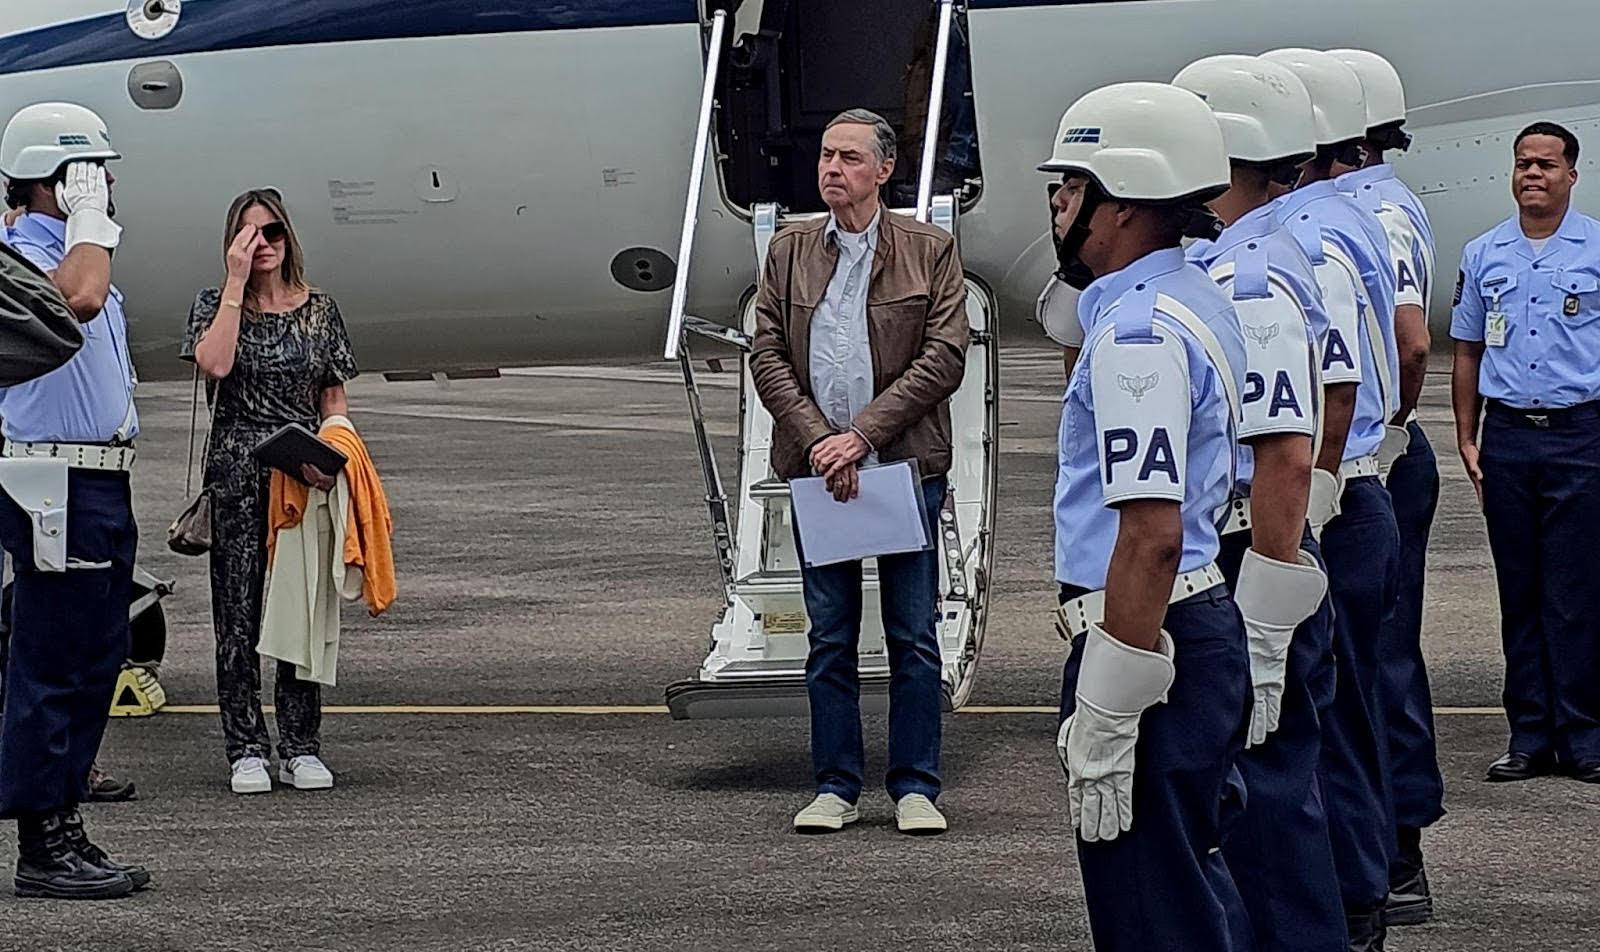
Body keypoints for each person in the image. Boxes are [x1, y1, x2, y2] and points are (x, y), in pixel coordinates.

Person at [1041, 81, 1250, 952]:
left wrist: (1110, 707)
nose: (1058, 204)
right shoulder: (1192, 296)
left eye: (1071, 185)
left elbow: (1152, 534)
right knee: (1192, 889)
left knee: (1150, 912)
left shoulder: (1138, 336)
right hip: (1187, 627)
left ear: (1120, 203)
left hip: (1146, 638)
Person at [748, 108, 968, 835]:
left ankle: (915, 787)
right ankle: (836, 786)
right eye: (826, 155)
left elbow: (944, 357)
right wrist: (822, 442)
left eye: (848, 158)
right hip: (819, 471)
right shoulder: (789, 250)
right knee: (829, 638)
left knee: (913, 635)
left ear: (884, 170)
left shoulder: (929, 250)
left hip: (903, 469)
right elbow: (767, 354)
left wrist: (862, 436)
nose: (832, 169)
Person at [1176, 55, 1346, 952]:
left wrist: (1270, 622)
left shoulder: (1253, 277)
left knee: (1269, 801)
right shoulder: (1243, 254)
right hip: (1248, 545)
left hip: (1254, 548)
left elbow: (1284, 452)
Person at [1261, 47, 1400, 951]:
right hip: (1347, 488)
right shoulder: (1351, 218)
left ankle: (1355, 901)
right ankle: (1367, 886)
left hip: (1332, 500)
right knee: (1345, 713)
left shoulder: (1310, 240)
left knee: (1326, 724)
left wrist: (1308, 508)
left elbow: (1336, 392)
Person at [0, 102, 148, 899]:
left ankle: (64, 822)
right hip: (52, 484)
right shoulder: (21, 258)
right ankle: (41, 842)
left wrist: (87, 226)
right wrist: (87, 220)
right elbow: (75, 303)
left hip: (97, 478)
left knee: (95, 659)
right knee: (53, 664)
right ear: (55, 179)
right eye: (94, 172)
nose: (108, 185)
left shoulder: (76, 255)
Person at [183, 189, 358, 795]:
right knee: (237, 615)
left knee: (300, 612)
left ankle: (301, 745)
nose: (262, 244)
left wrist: (334, 452)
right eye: (248, 233)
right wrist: (235, 284)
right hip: (237, 468)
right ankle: (246, 747)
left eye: (272, 231)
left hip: (301, 469)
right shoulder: (214, 304)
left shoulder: (321, 310)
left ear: (289, 238)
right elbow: (215, 364)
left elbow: (332, 393)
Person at [1331, 47, 1446, 928]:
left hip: (1374, 457)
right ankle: (1390, 848)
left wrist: (1392, 426)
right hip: (1384, 448)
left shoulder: (1368, 213)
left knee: (1375, 662)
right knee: (1379, 655)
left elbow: (1411, 342)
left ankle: (1396, 852)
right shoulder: (1389, 202)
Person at [1452, 122, 1600, 788]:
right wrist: (1467, 435)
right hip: (1509, 436)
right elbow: (1467, 350)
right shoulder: (1485, 254)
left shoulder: (1595, 248)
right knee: (1520, 591)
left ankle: (1583, 736)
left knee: (1576, 591)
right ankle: (1529, 736)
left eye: (1546, 164)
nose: (1532, 174)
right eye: (1522, 163)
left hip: (1579, 434)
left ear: (1572, 174)